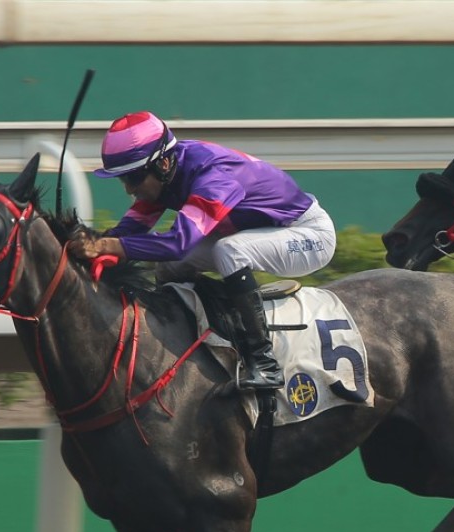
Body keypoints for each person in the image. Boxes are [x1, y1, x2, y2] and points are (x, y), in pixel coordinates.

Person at [72, 111, 338, 391]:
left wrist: (108, 246)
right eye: (123, 179)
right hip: (257, 234)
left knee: (229, 250)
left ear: (162, 163)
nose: (129, 189)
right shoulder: (168, 172)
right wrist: (88, 244)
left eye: (134, 178)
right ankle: (192, 343)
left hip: (309, 235)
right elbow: (129, 232)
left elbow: (177, 243)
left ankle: (264, 362)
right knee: (169, 268)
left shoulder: (213, 177)